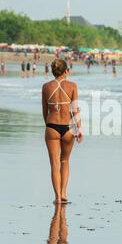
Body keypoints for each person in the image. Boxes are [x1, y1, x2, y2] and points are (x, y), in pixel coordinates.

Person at [42, 59, 83, 205]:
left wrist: (48, 127)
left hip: (51, 126)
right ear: (67, 71)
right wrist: (79, 128)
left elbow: (44, 111)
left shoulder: (46, 87)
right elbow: (75, 109)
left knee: (54, 164)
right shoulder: (72, 86)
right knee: (65, 160)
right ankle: (64, 192)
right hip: (68, 128)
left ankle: (58, 197)